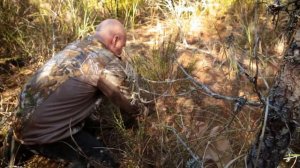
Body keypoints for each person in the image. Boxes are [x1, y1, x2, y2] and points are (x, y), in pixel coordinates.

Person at [0, 19, 143, 168]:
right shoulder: (105, 61)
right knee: (103, 161)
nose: (122, 51)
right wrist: (143, 112)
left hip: (17, 126)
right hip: (47, 136)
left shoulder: (76, 45)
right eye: (122, 46)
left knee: (7, 163)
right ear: (115, 40)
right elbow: (127, 102)